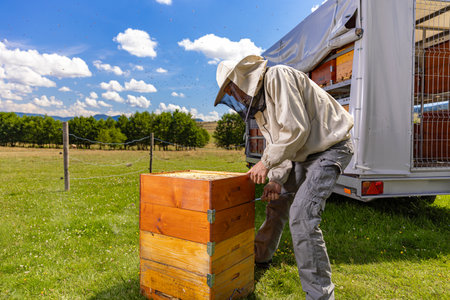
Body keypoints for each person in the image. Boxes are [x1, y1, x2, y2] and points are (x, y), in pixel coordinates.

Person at [214, 55, 354, 300]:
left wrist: (264, 164)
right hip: (304, 152)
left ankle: (320, 296)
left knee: (302, 217)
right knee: (276, 200)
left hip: (330, 148)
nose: (235, 97)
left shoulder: (278, 76)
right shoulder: (261, 107)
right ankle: (261, 257)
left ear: (241, 80)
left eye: (232, 90)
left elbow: (296, 130)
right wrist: (276, 179)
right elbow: (282, 144)